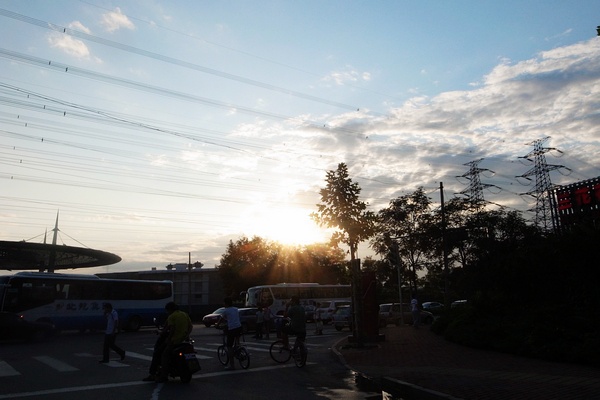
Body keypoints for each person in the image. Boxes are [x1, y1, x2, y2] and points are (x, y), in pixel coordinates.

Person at [151, 301, 193, 383]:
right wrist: (187, 335)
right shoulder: (184, 314)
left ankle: (164, 376)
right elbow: (190, 326)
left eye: (167, 310)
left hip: (175, 341)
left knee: (164, 355)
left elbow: (171, 329)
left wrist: (168, 339)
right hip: (184, 341)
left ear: (169, 309)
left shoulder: (172, 316)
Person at [219, 297, 242, 370]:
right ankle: (239, 350)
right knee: (237, 341)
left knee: (229, 346)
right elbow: (232, 318)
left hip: (232, 329)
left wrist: (217, 325)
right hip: (239, 327)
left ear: (226, 303)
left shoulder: (225, 311)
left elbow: (221, 319)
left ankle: (232, 365)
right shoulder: (236, 309)